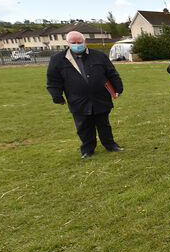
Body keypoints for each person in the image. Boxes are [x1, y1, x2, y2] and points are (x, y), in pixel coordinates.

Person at [46, 30, 124, 158]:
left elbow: (112, 73)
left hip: (100, 97)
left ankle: (110, 144)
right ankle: (87, 149)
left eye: (79, 42)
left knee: (103, 123)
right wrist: (57, 96)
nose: (77, 44)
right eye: (73, 42)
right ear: (68, 43)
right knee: (83, 125)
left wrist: (118, 88)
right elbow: (53, 80)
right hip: (77, 99)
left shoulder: (99, 56)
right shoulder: (58, 60)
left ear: (85, 42)